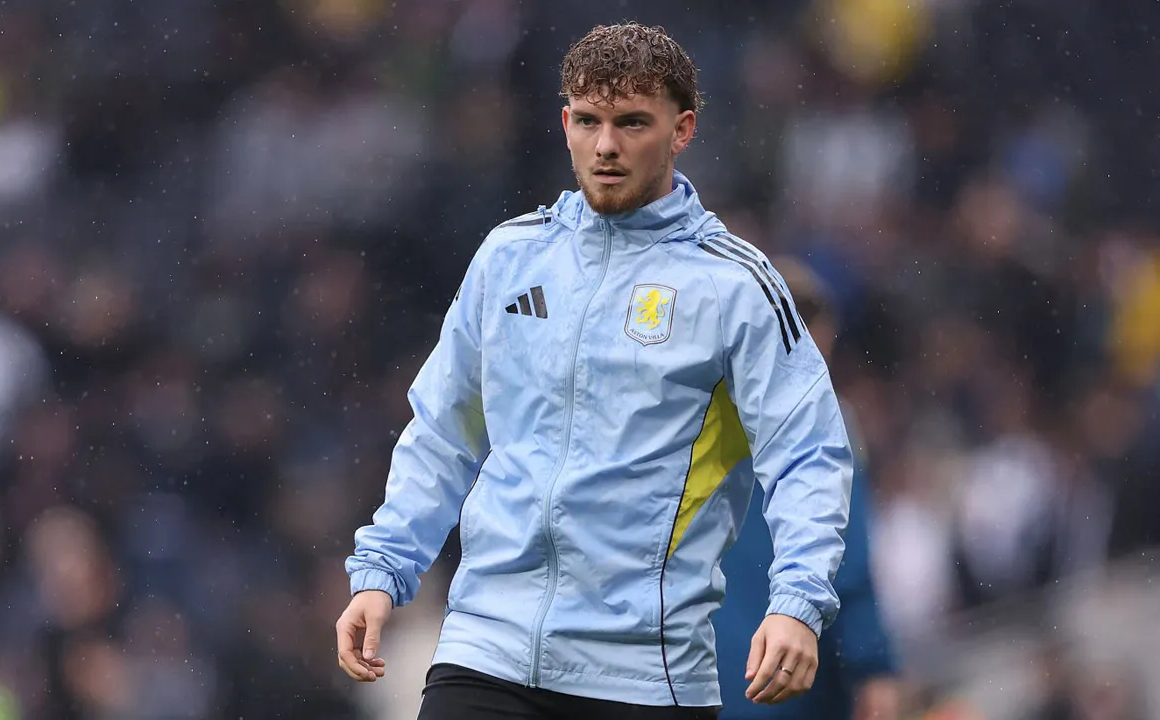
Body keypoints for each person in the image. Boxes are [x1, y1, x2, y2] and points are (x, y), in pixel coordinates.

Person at [335, 23, 853, 720]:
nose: (606, 145)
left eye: (632, 122)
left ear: (682, 130)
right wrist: (382, 570)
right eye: (588, 121)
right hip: (485, 649)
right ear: (565, 125)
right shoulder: (509, 257)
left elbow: (810, 454)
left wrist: (797, 603)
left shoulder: (736, 286)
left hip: (644, 673)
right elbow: (443, 431)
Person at [713, 256, 902, 720]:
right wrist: (873, 667)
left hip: (698, 683)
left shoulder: (693, 425)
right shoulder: (825, 429)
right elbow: (848, 565)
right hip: (793, 685)